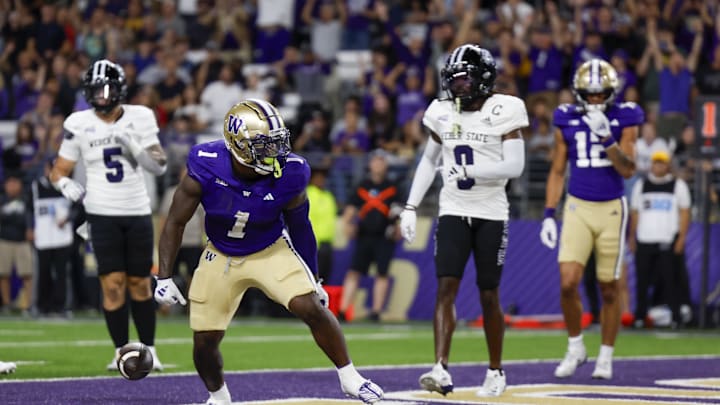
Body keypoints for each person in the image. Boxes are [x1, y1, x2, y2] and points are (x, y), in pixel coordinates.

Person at [154, 99, 384, 405]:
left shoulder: (292, 171)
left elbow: (301, 228)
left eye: (277, 143)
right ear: (237, 144)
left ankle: (350, 378)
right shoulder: (207, 161)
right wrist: (165, 275)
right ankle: (218, 396)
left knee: (311, 306)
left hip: (269, 249)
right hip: (220, 254)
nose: (274, 152)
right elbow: (175, 221)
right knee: (204, 340)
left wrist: (314, 278)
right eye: (263, 145)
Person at [399, 45, 528, 397]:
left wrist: (472, 169)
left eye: (465, 79)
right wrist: (410, 206)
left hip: (491, 212)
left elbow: (515, 166)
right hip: (453, 208)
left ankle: (496, 370)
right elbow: (429, 161)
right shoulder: (441, 112)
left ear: (484, 79)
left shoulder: (506, 108)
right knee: (445, 288)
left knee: (489, 294)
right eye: (453, 80)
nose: (458, 87)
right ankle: (440, 367)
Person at [49, 59, 168, 371]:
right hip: (101, 213)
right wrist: (64, 183)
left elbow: (160, 165)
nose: (101, 96)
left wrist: (137, 149)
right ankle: (121, 351)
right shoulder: (79, 122)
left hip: (137, 210)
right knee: (112, 284)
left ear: (120, 90)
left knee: (140, 283)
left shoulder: (140, 116)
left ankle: (149, 350)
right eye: (96, 90)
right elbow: (58, 170)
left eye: (107, 89)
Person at [540, 59, 645, 380]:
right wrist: (548, 213)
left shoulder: (626, 116)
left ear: (612, 92)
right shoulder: (566, 118)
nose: (597, 100)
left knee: (609, 288)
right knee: (568, 282)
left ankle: (606, 355)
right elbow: (558, 170)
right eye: (591, 94)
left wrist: (608, 141)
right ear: (579, 93)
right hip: (578, 206)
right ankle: (575, 346)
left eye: (602, 94)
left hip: (612, 207)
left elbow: (627, 169)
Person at [628, 150, 691, 329]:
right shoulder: (642, 185)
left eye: (662, 163)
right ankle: (639, 316)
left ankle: (676, 318)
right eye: (656, 163)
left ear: (668, 165)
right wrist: (632, 237)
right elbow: (635, 213)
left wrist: (682, 238)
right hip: (645, 239)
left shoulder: (677, 185)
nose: (658, 166)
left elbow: (685, 212)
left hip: (667, 239)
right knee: (642, 280)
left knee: (671, 280)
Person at [338, 150, 402, 322]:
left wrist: (399, 228)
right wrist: (347, 224)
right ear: (370, 164)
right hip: (364, 235)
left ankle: (376, 311)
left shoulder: (393, 187)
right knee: (354, 272)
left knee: (382, 273)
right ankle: (343, 310)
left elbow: (399, 210)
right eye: (375, 161)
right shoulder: (362, 186)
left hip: (384, 236)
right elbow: (351, 208)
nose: (378, 165)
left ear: (385, 165)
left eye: (381, 162)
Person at [0, 172, 34, 315]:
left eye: (15, 183)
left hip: (22, 241)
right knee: (3, 274)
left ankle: (26, 305)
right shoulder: (1, 200)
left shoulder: (26, 200)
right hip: (4, 240)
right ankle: (6, 304)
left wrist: (30, 228)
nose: (12, 186)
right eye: (10, 183)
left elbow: (31, 216)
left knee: (26, 274)